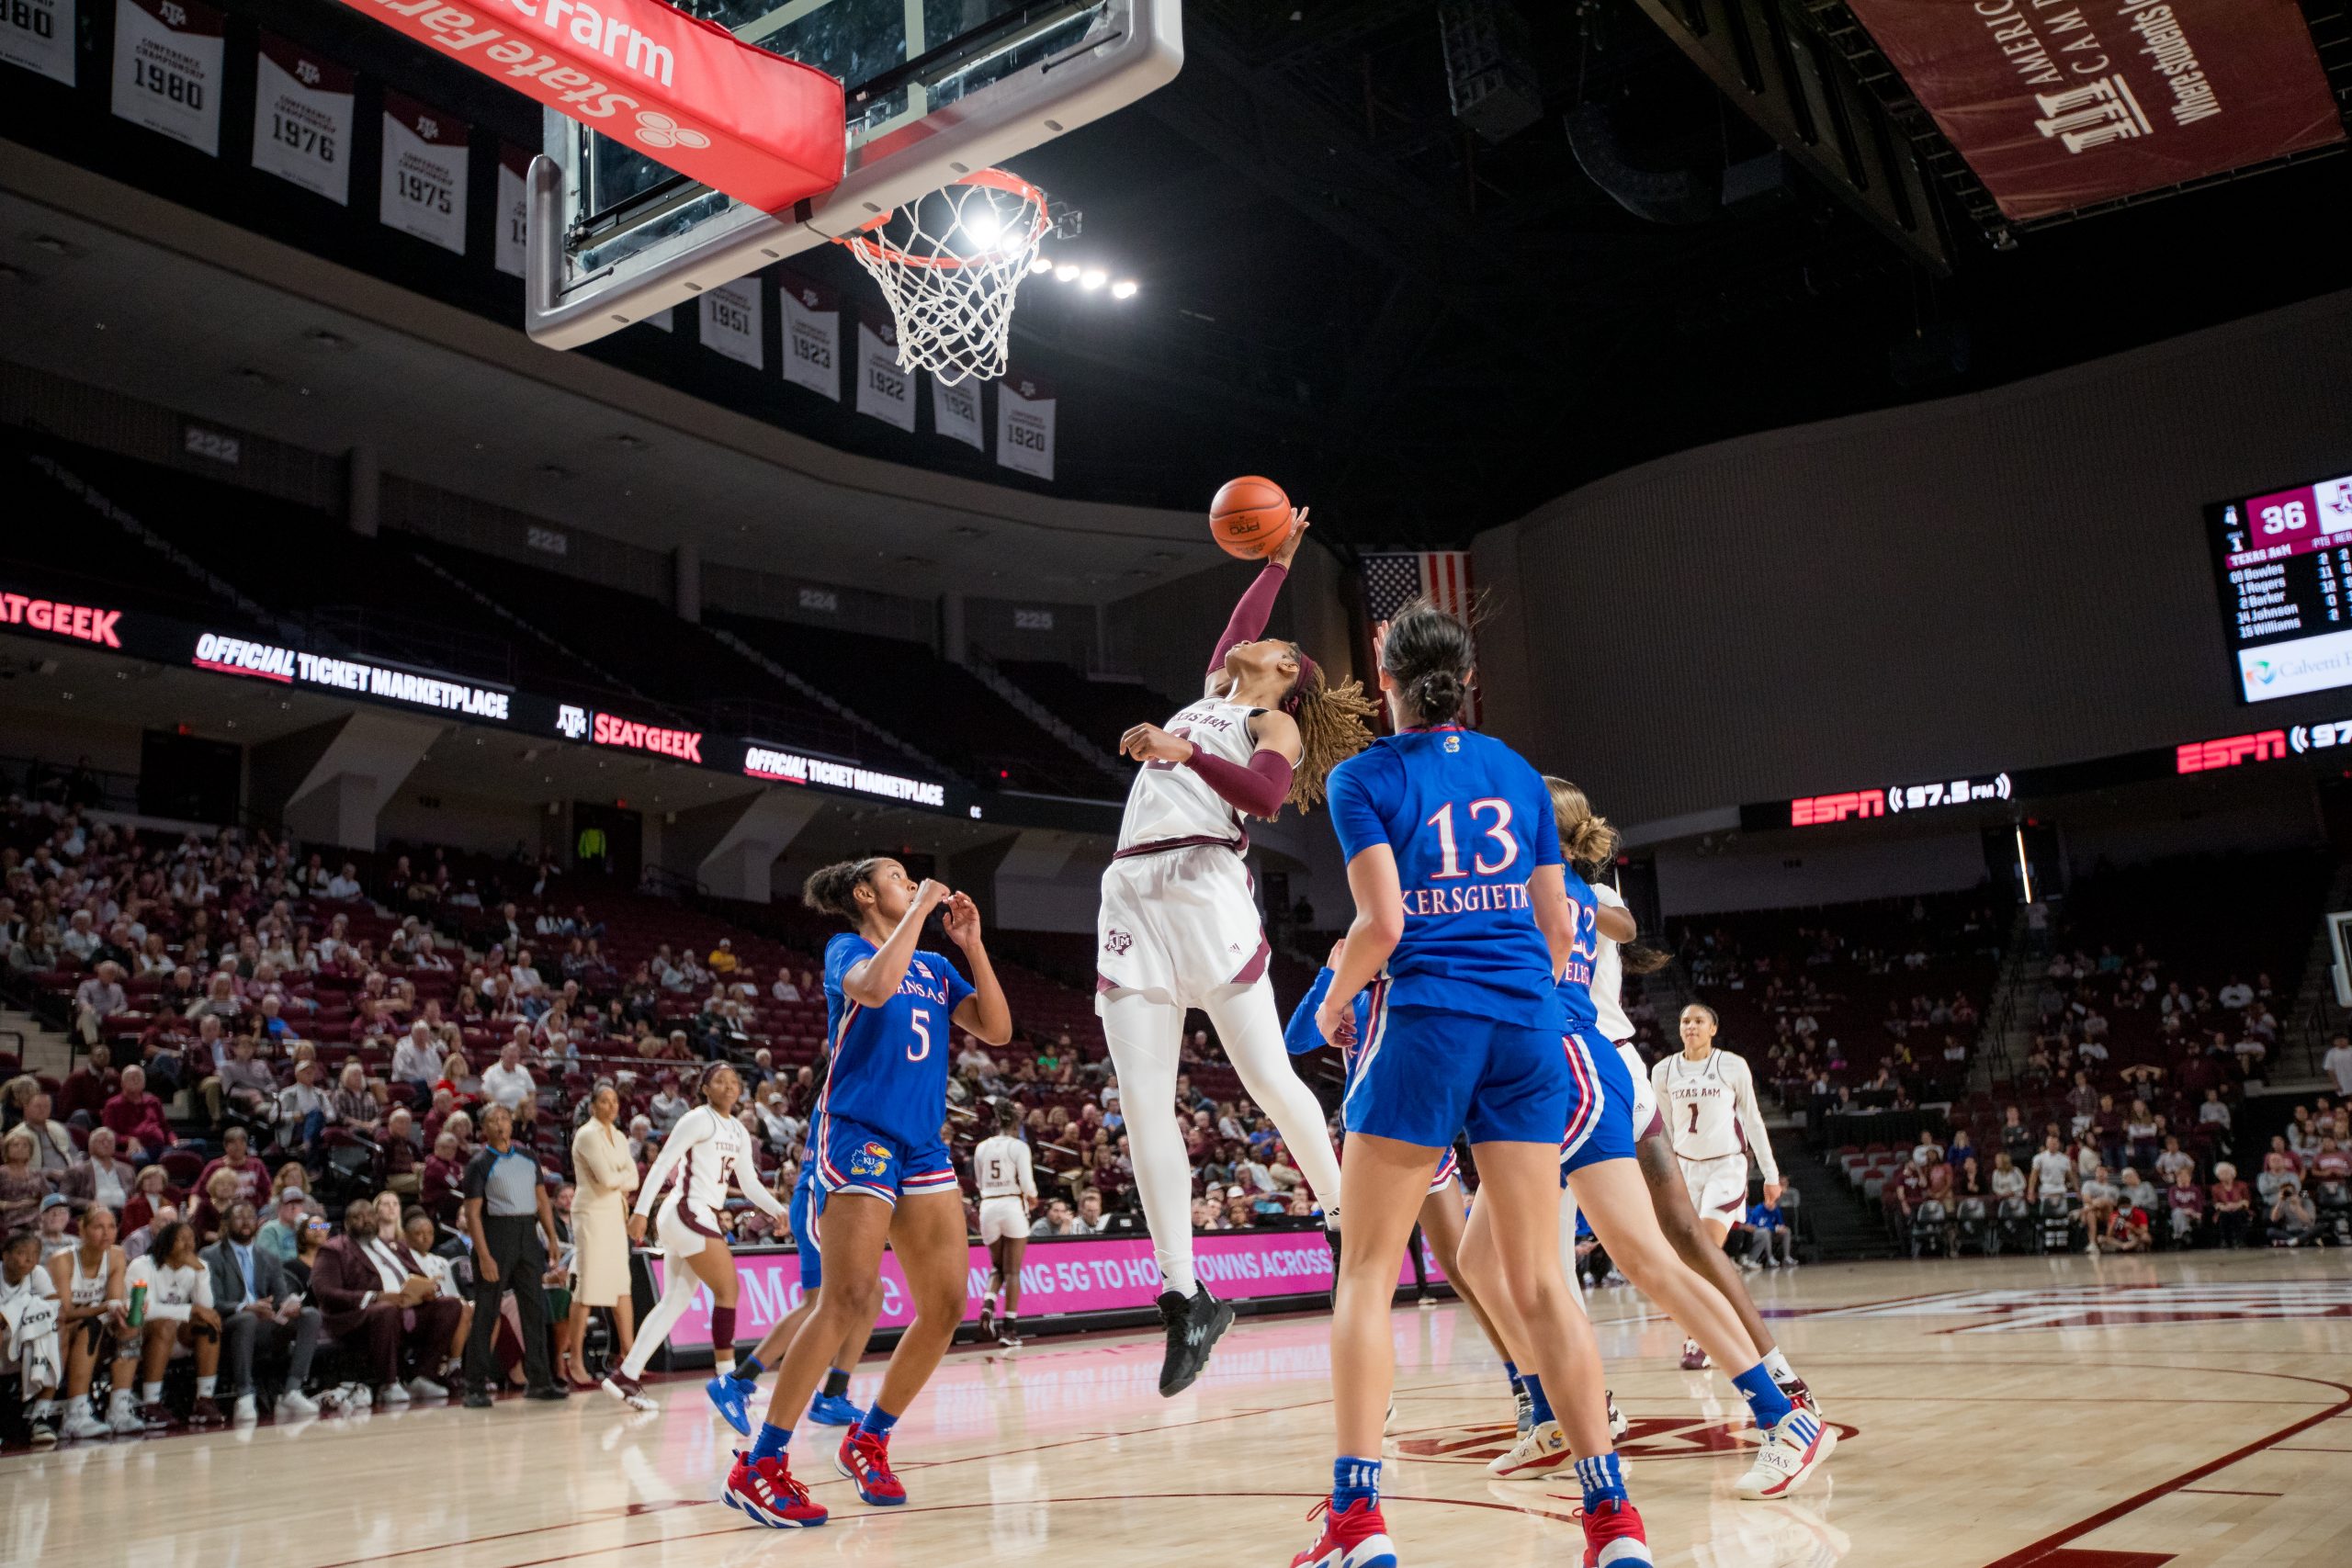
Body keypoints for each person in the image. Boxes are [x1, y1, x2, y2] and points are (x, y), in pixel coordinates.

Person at [1293, 600, 1657, 1568]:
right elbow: (1553, 924)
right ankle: (1613, 1520)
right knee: (1544, 1281)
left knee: (1366, 1273)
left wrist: (1330, 1007)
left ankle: (1357, 1523)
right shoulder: (1515, 772)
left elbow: (1380, 930)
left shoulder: (1360, 777)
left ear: (1387, 685)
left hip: (1430, 1024)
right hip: (1529, 1028)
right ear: (1466, 681)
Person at [1096, 515, 1373, 1398]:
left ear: (1289, 672)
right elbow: (1237, 625)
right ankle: (1185, 1298)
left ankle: (1342, 1216)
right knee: (1143, 1109)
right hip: (1133, 891)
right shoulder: (1213, 691)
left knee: (1266, 1080)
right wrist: (1283, 558)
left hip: (1207, 883)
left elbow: (1260, 794)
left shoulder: (1272, 724)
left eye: (1275, 643)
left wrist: (1182, 754)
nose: (1250, 641)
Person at [719, 859, 1010, 1529]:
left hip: (921, 1142)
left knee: (946, 1304)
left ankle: (869, 1437)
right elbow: (875, 991)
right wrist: (922, 908)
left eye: (914, 879)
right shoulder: (846, 948)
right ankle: (760, 1464)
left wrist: (971, 944)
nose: (913, 883)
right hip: (857, 1132)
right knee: (846, 1298)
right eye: (900, 877)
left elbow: (995, 1029)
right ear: (864, 893)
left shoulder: (936, 968)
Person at [1566, 784, 1815, 1415]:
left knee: (1669, 1252)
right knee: (1520, 1259)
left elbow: (1622, 924)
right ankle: (1570, 1404)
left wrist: (1567, 895)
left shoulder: (1585, 893)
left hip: (1599, 1067)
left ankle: (1775, 1388)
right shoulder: (1523, 890)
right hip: (1589, 1078)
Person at [603, 1062, 786, 1411]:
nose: (729, 1086)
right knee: (727, 1288)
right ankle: (728, 1380)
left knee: (675, 1301)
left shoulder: (738, 1130)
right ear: (705, 1088)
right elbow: (662, 1164)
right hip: (687, 1210)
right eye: (720, 1080)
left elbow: (748, 1184)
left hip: (695, 1214)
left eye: (734, 1080)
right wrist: (641, 1211)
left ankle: (626, 1375)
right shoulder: (698, 1119)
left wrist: (779, 1210)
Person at [1649, 1002, 1783, 1372]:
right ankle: (1721, 1327)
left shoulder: (1732, 1065)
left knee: (1704, 1249)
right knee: (1687, 1260)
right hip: (1685, 1171)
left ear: (1713, 1028)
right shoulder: (1663, 1071)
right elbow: (1664, 1130)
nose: (1690, 1026)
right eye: (1685, 1021)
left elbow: (1753, 1121)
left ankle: (1700, 1338)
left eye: (1698, 1021)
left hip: (1726, 1167)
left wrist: (1770, 1175)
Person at [460, 1103, 569, 1407]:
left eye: (504, 1119)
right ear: (483, 1129)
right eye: (493, 1120)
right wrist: (483, 1255)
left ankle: (539, 1380)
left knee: (534, 1307)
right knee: (487, 1310)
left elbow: (542, 1200)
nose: (500, 1125)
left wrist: (551, 1237)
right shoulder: (479, 1163)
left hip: (527, 1233)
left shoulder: (528, 1157)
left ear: (512, 1124)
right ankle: (474, 1385)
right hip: (496, 1234)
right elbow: (472, 1213)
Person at [308, 1198, 460, 1406]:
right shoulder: (334, 1249)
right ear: (346, 1223)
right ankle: (389, 1383)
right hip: (358, 1316)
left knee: (450, 1305)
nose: (365, 1221)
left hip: (406, 1305)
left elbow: (417, 1274)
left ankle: (422, 1376)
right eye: (357, 1217)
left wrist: (426, 1291)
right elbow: (325, 1292)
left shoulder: (394, 1246)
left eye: (369, 1215)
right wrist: (375, 1296)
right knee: (386, 1309)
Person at [198, 1201, 321, 1423]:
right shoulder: (210, 1255)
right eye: (239, 1217)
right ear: (226, 1223)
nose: (246, 1221)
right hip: (230, 1325)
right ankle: (245, 1395)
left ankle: (292, 1390)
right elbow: (212, 1302)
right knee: (247, 1319)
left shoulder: (268, 1256)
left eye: (250, 1216)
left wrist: (290, 1305)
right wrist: (246, 1306)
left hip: (267, 1322)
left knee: (310, 1315)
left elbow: (281, 1297)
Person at [563, 1084, 639, 1388]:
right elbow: (609, 1179)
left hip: (614, 1214)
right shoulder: (587, 1135)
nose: (611, 1106)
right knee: (588, 1286)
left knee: (622, 1285)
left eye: (614, 1101)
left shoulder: (619, 1136)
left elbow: (633, 1177)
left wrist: (620, 1178)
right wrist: (620, 1178)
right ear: (593, 1105)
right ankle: (575, 1361)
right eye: (604, 1101)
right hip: (591, 1213)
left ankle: (628, 1357)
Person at [49, 1204, 143, 1438]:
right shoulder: (63, 1260)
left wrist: (126, 1308)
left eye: (111, 1226)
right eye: (98, 1227)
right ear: (82, 1230)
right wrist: (105, 1307)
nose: (106, 1233)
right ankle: (75, 1414)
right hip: (60, 1332)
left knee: (131, 1323)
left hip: (96, 1327)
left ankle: (119, 1408)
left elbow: (113, 1301)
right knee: (88, 1325)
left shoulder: (116, 1255)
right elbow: (65, 1312)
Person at [126, 1219, 225, 1429]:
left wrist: (201, 1272)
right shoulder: (142, 1266)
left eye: (192, 1239)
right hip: (142, 1338)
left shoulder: (197, 1266)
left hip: (177, 1337)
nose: (189, 1244)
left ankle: (204, 1400)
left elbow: (206, 1308)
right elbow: (144, 1311)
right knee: (166, 1324)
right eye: (182, 1239)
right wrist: (190, 1310)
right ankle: (150, 1403)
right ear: (167, 1241)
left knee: (208, 1325)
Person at [972, 1100, 1038, 1347]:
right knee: (1012, 1271)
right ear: (1016, 1124)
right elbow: (1028, 1184)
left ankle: (988, 1307)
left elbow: (978, 1182)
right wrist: (1033, 1199)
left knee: (997, 1267)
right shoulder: (1019, 1147)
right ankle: (1009, 1331)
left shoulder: (981, 1147)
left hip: (988, 1206)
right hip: (1011, 1204)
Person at [0, 1229, 62, 1447]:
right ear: (5, 1255)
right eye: (21, 1252)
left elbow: (55, 1307)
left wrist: (21, 1312)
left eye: (34, 1254)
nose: (28, 1259)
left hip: (22, 1335)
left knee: (51, 1330)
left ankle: (40, 1416)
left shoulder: (38, 1274)